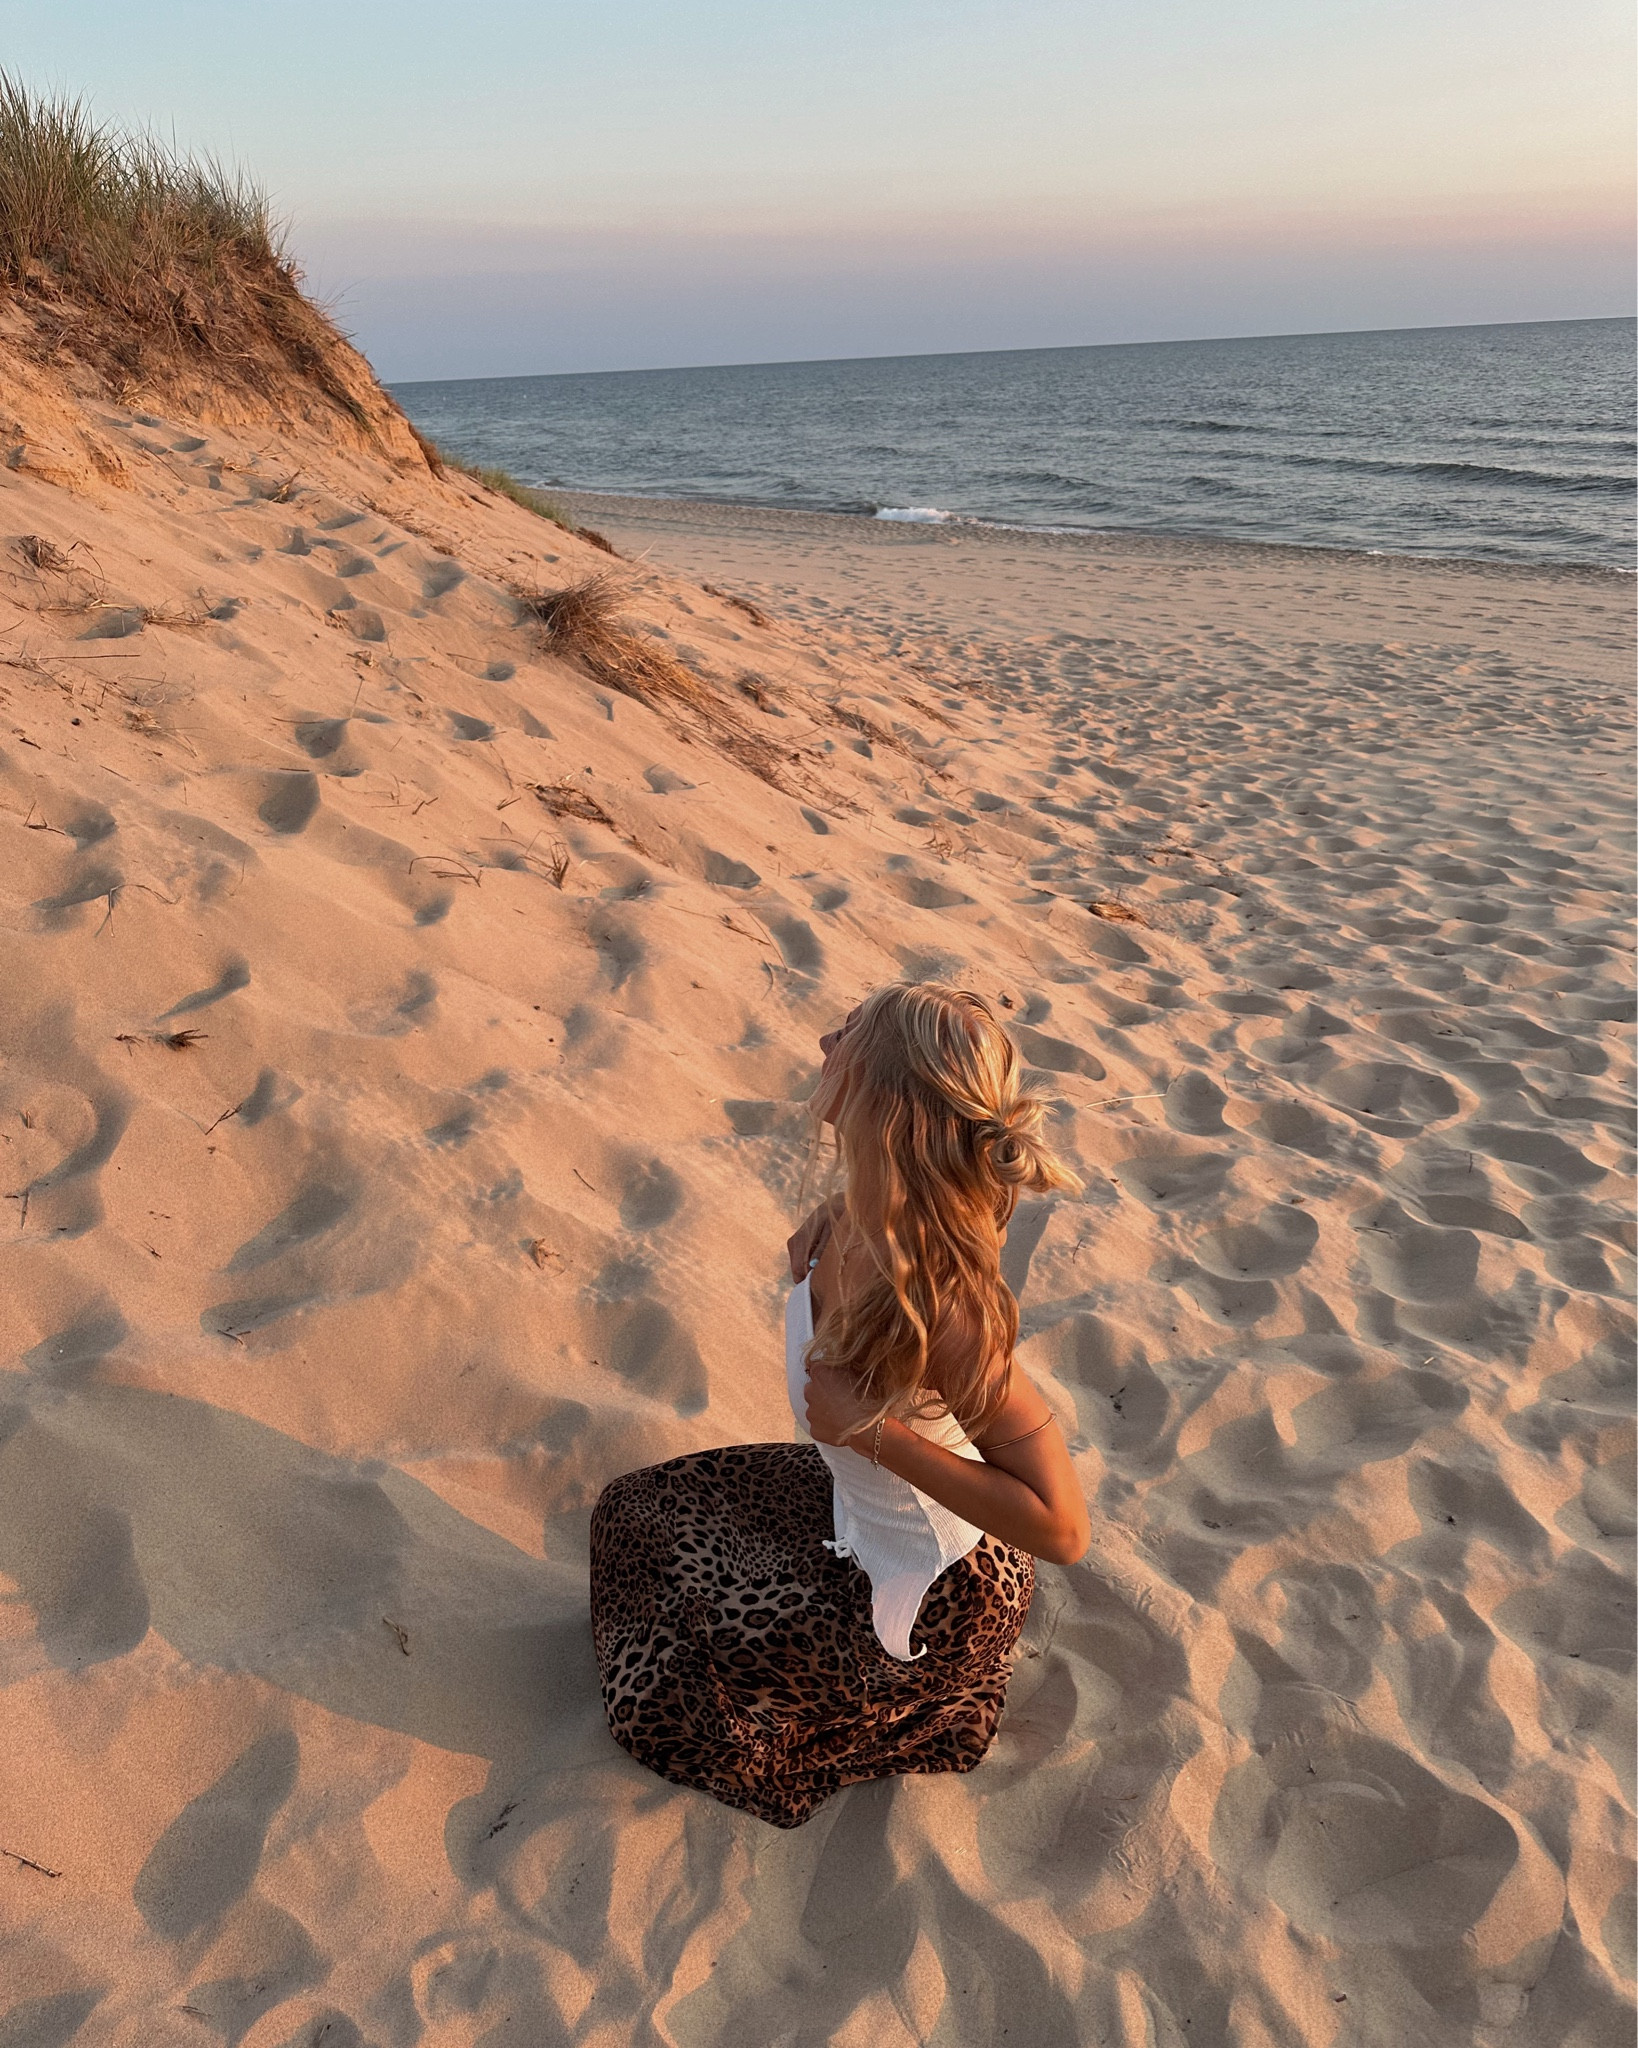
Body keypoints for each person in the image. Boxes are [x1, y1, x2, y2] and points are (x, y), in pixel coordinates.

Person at [589, 982, 1092, 1827]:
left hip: (937, 1585)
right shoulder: (866, 1210)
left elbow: (1064, 1528)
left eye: (849, 1035)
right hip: (855, 1511)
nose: (825, 1041)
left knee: (663, 1709)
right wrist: (840, 1207)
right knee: (633, 1512)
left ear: (887, 1102)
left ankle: (937, 1707)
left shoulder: (944, 1306)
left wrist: (875, 1436)